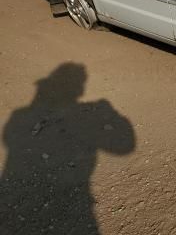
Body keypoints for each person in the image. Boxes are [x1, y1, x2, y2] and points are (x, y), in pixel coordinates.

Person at [0, 63, 135, 234]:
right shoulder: (19, 115)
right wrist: (112, 112)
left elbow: (8, 139)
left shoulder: (19, 115)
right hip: (74, 198)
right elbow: (126, 146)